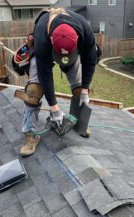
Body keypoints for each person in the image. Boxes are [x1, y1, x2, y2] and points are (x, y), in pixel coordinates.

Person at [14, 8, 98, 156]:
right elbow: (45, 75)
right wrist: (55, 109)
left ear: (78, 39)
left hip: (69, 49)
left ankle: (77, 123)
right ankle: (29, 133)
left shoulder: (85, 31)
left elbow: (90, 62)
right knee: (34, 90)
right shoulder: (42, 37)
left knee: (79, 89)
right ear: (52, 40)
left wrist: (84, 90)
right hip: (44, 49)